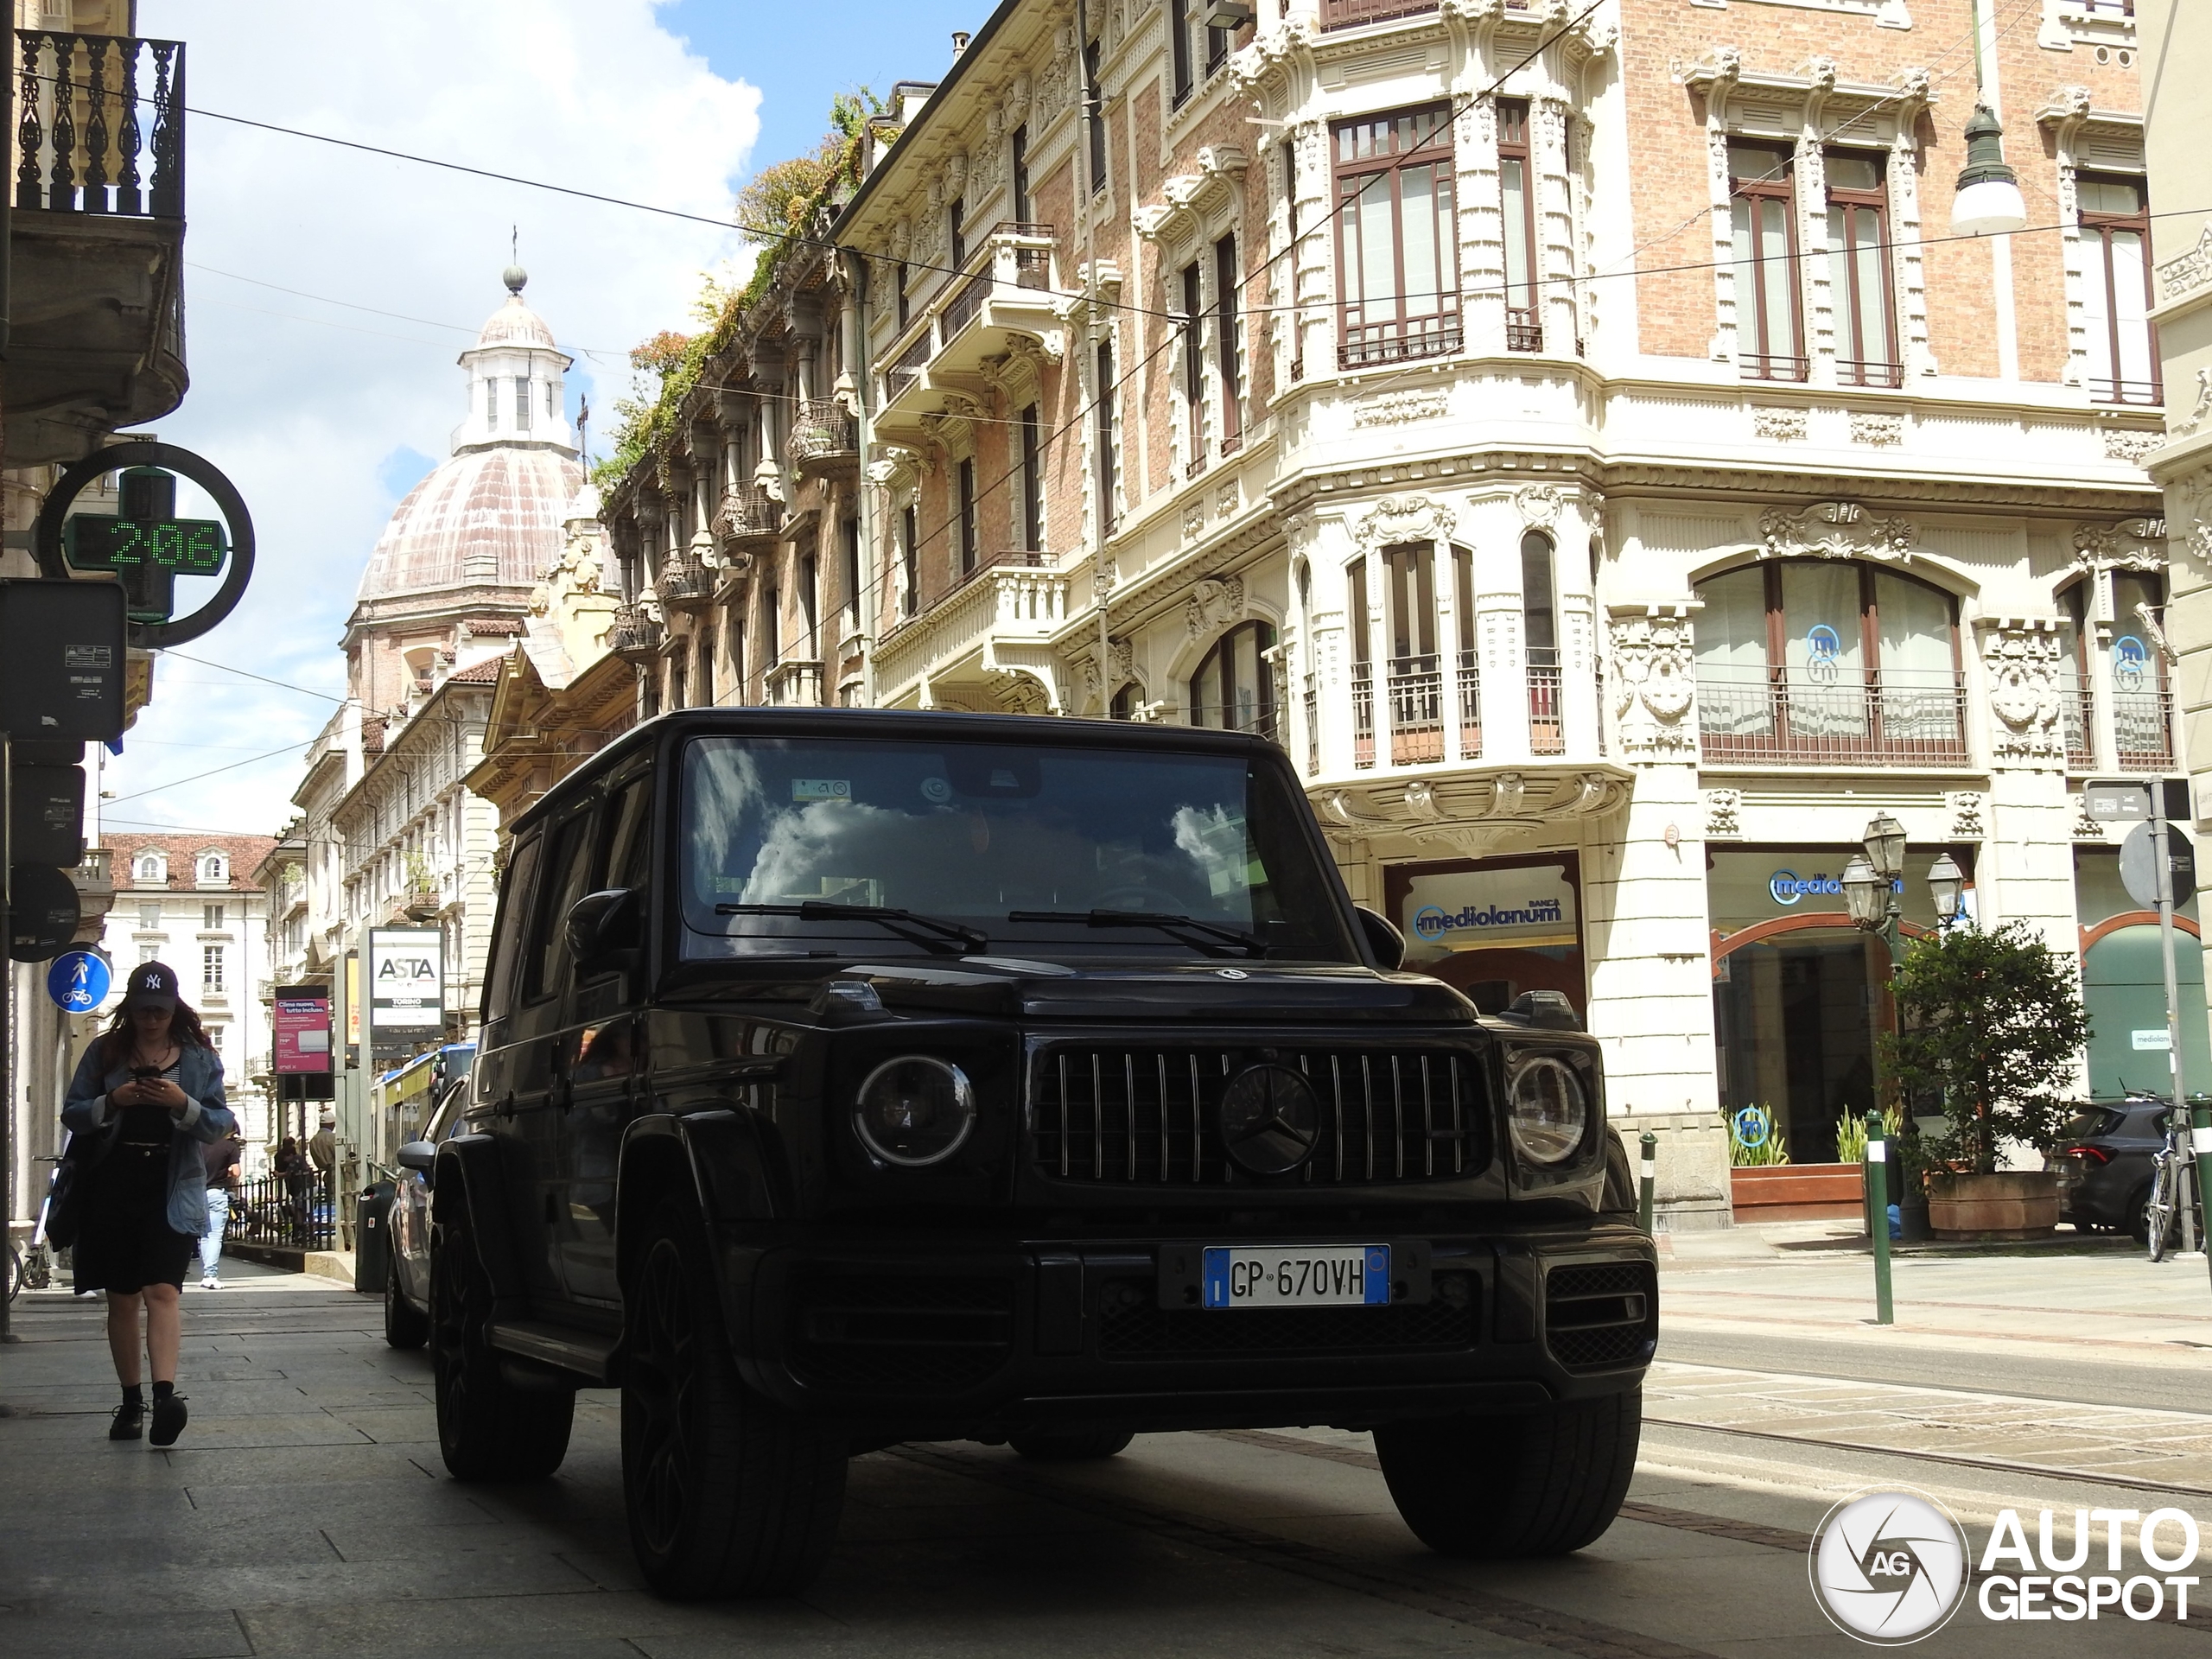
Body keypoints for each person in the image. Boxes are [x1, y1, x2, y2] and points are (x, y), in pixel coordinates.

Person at [60, 961, 235, 1446]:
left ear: (174, 1007)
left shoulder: (199, 1057)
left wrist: (182, 1102)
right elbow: (73, 1112)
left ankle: (164, 1399)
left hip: (171, 1183)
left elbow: (220, 1122)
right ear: (131, 1010)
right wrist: (113, 1099)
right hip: (112, 1185)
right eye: (143, 1011)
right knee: (122, 1296)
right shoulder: (105, 1050)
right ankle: (131, 1401)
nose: (152, 1020)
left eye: (160, 1010)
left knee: (164, 1290)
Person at [197, 1125, 243, 1290]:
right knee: (215, 1235)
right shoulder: (230, 1147)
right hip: (217, 1192)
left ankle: (205, 1273)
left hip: (199, 1193)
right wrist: (228, 1172)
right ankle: (211, 1275)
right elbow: (236, 1172)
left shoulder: (199, 1143)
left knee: (204, 1235)